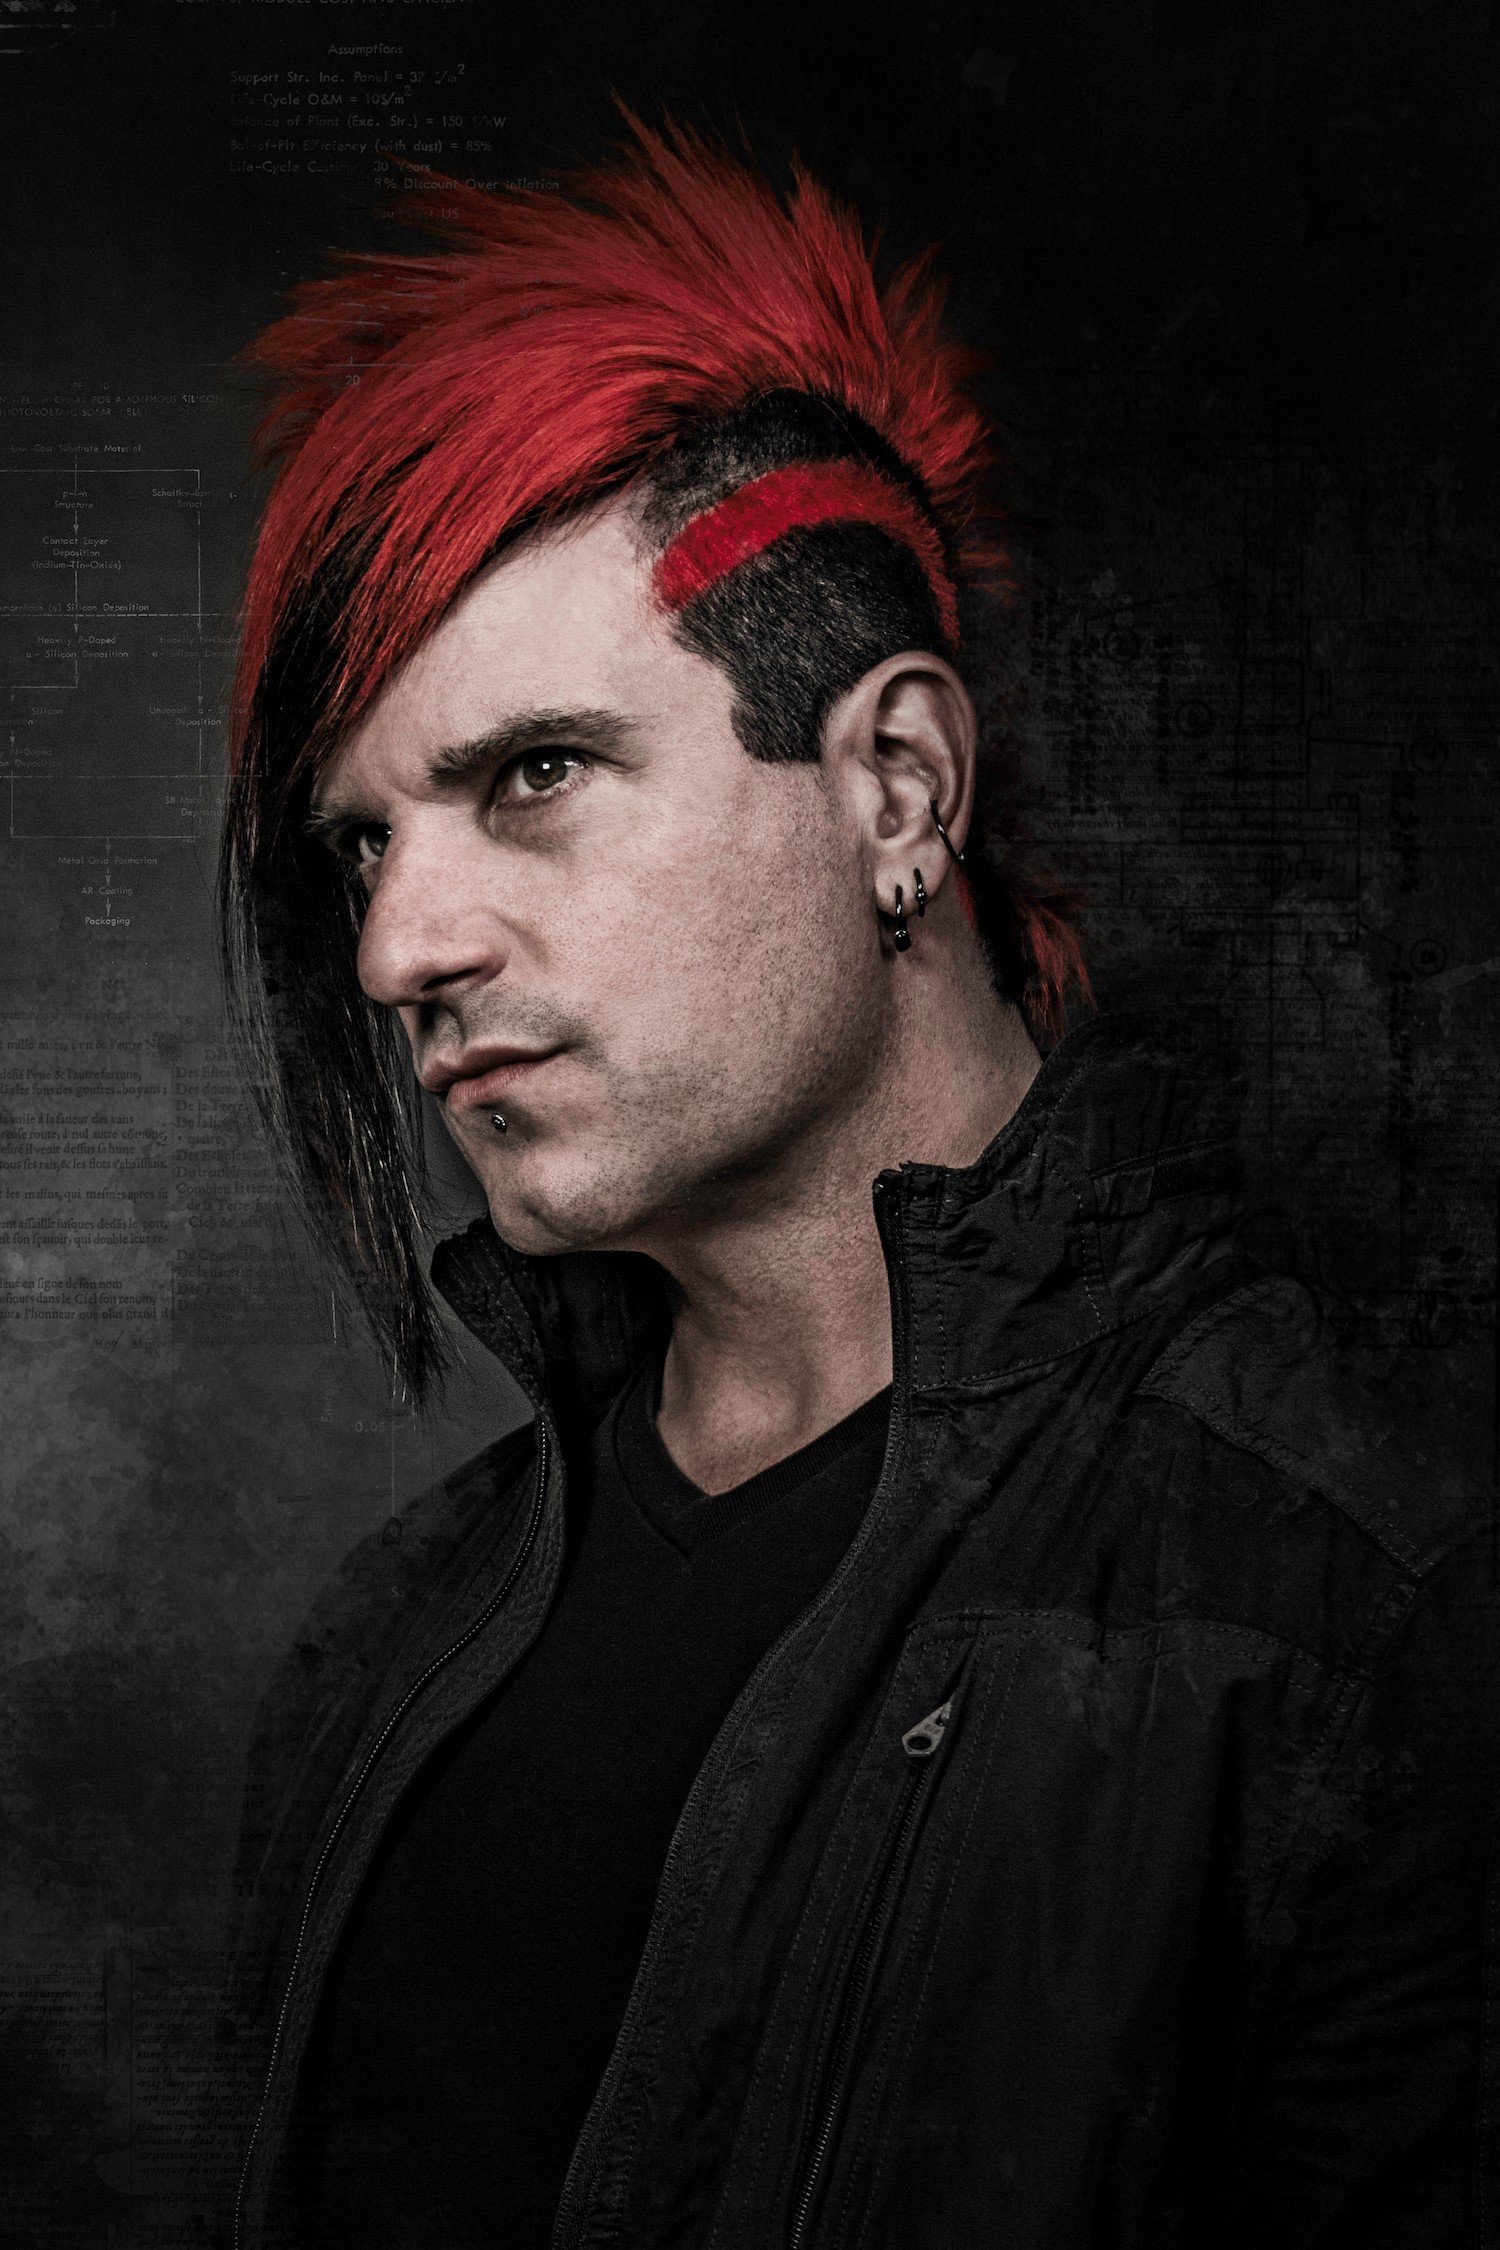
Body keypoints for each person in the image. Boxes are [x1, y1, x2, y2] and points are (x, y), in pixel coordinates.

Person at [214, 118, 1498, 2250]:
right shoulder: (389, 1650)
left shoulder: (1351, 1610)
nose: (397, 951)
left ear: (895, 784)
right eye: (364, 843)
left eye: (535, 773)